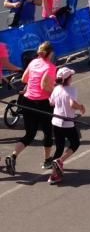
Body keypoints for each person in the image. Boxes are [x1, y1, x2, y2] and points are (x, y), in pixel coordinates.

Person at [5, 42, 57, 176]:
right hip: (42, 103)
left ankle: (13, 156)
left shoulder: (33, 62)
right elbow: (45, 85)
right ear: (50, 53)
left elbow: (24, 78)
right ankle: (46, 160)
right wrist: (56, 92)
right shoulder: (50, 67)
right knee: (47, 132)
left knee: (29, 134)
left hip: (28, 101)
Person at [48, 66, 85, 185]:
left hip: (56, 121)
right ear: (68, 79)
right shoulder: (72, 89)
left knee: (59, 146)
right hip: (67, 122)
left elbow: (51, 102)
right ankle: (60, 160)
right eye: (71, 76)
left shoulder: (56, 89)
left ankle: (53, 175)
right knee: (75, 142)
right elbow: (72, 104)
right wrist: (81, 107)